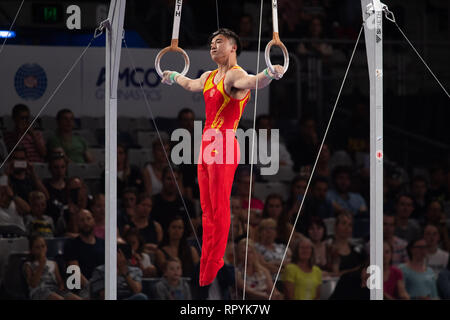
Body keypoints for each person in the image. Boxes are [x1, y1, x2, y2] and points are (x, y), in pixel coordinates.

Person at [161, 27, 285, 287]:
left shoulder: (235, 75)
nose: (213, 47)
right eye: (210, 44)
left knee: (218, 205)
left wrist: (269, 73)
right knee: (205, 208)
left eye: (219, 42)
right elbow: (188, 83)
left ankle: (215, 260)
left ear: (233, 47)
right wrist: (170, 74)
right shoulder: (208, 76)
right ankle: (207, 260)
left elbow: (253, 82)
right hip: (206, 144)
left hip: (224, 142)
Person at [63, 209, 105, 298]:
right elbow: (75, 273)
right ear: (77, 223)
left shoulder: (104, 244)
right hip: (83, 290)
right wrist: (95, 289)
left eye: (88, 219)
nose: (86, 223)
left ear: (93, 220)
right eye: (82, 220)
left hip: (104, 288)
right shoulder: (71, 245)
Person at [24, 235, 81, 300]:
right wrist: (41, 265)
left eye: (43, 246)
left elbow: (59, 281)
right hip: (39, 291)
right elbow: (33, 284)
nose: (41, 249)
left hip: (54, 289)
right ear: (32, 250)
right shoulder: (28, 265)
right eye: (37, 247)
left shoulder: (53, 263)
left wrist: (61, 286)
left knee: (74, 297)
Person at [151, 166, 197, 235]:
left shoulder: (187, 204)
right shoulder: (153, 202)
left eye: (176, 179)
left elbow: (193, 231)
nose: (172, 183)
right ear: (162, 180)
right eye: (169, 179)